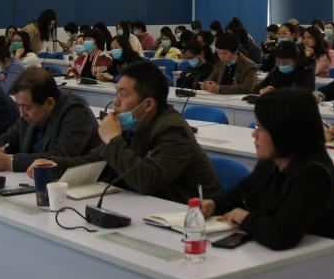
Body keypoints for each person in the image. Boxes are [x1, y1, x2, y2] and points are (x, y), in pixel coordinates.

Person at [201, 90, 334, 279]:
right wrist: (214, 204)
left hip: (324, 277)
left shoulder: (313, 173)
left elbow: (280, 234)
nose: (254, 134)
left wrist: (244, 217)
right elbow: (242, 192)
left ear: (285, 130)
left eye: (261, 128)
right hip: (285, 265)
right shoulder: (274, 160)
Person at [29, 61, 222, 202]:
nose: (116, 102)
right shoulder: (132, 124)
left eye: (123, 94)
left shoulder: (172, 130)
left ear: (148, 105)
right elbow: (95, 161)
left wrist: (113, 139)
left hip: (191, 219)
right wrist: (53, 165)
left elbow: (147, 180)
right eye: (116, 93)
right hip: (147, 209)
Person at [0, 69, 98, 173]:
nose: (22, 114)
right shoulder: (28, 112)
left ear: (49, 103)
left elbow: (60, 158)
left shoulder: (76, 113)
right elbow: (12, 136)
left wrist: (10, 162)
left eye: (27, 108)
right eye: (19, 106)